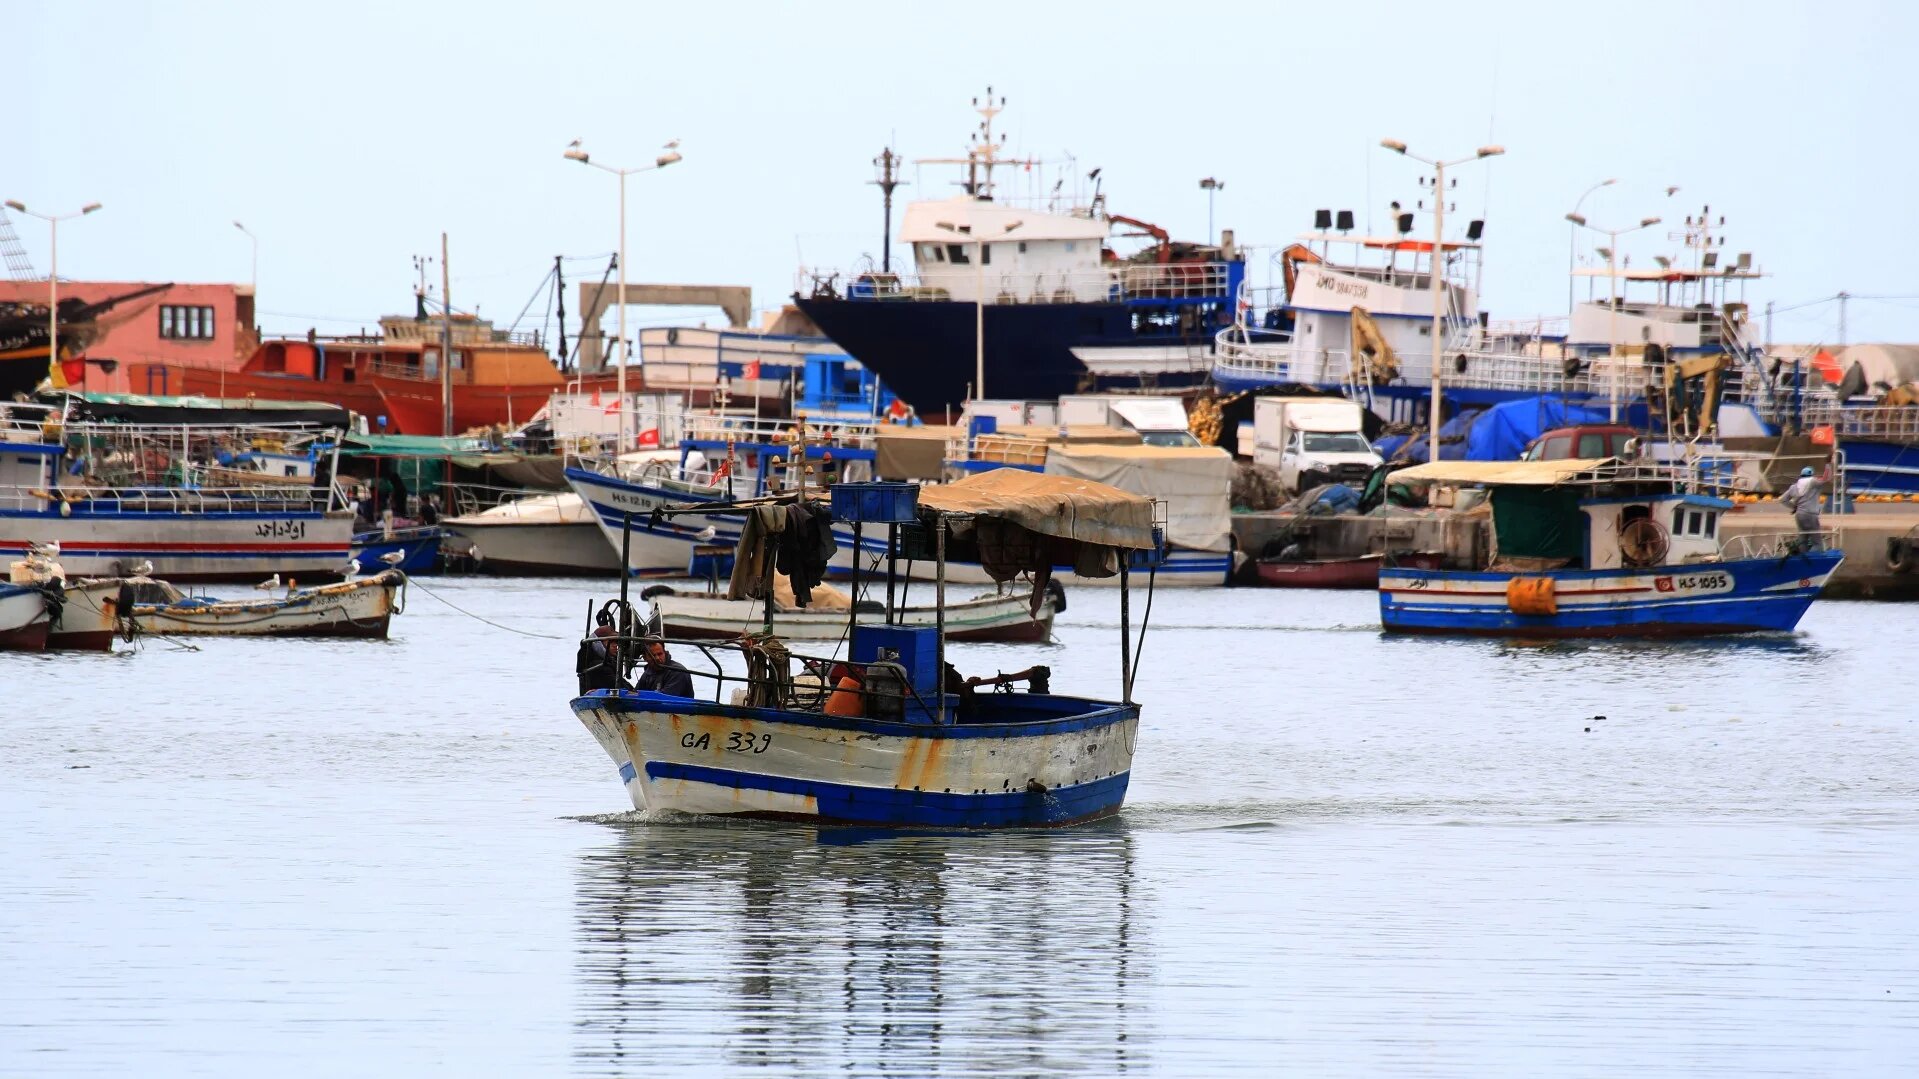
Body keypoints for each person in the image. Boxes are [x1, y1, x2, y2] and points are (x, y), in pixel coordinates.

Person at [575, 609, 626, 694]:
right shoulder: (599, 666)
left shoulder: (608, 661)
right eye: (611, 642)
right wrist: (633, 691)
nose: (615, 645)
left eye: (616, 642)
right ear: (598, 643)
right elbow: (617, 685)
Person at [1779, 466, 1825, 550]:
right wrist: (1829, 464)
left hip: (1799, 515)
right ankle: (1813, 560)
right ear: (1812, 475)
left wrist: (1794, 507)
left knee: (1803, 541)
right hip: (1811, 515)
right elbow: (1826, 478)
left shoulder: (1794, 486)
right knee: (1817, 543)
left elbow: (1782, 500)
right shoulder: (1813, 482)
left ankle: (1802, 559)